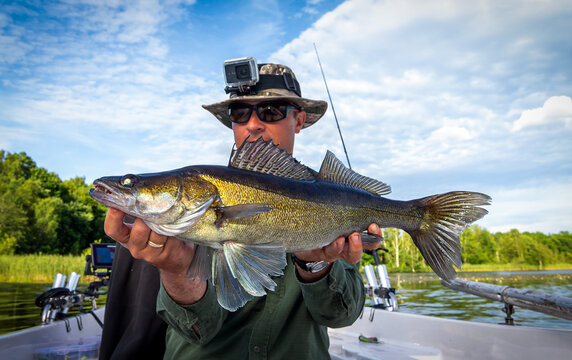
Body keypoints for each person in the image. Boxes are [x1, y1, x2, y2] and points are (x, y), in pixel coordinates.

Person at [101, 62, 382, 359]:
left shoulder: (336, 198)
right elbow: (198, 331)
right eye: (239, 113)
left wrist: (315, 266)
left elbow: (341, 317)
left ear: (298, 120)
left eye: (270, 111)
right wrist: (177, 273)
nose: (252, 124)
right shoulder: (187, 213)